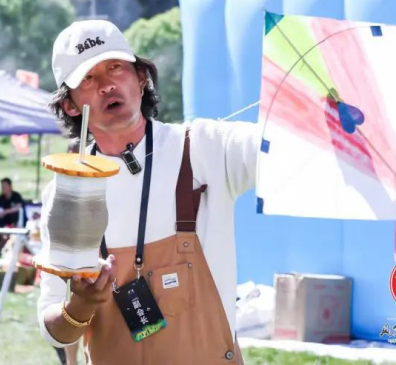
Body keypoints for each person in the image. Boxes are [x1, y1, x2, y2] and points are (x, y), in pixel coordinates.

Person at [37, 20, 258, 364]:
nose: (107, 85)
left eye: (116, 67)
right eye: (88, 78)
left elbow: (283, 147)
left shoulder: (205, 148)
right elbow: (54, 330)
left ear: (141, 78)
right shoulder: (66, 194)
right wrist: (81, 304)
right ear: (70, 105)